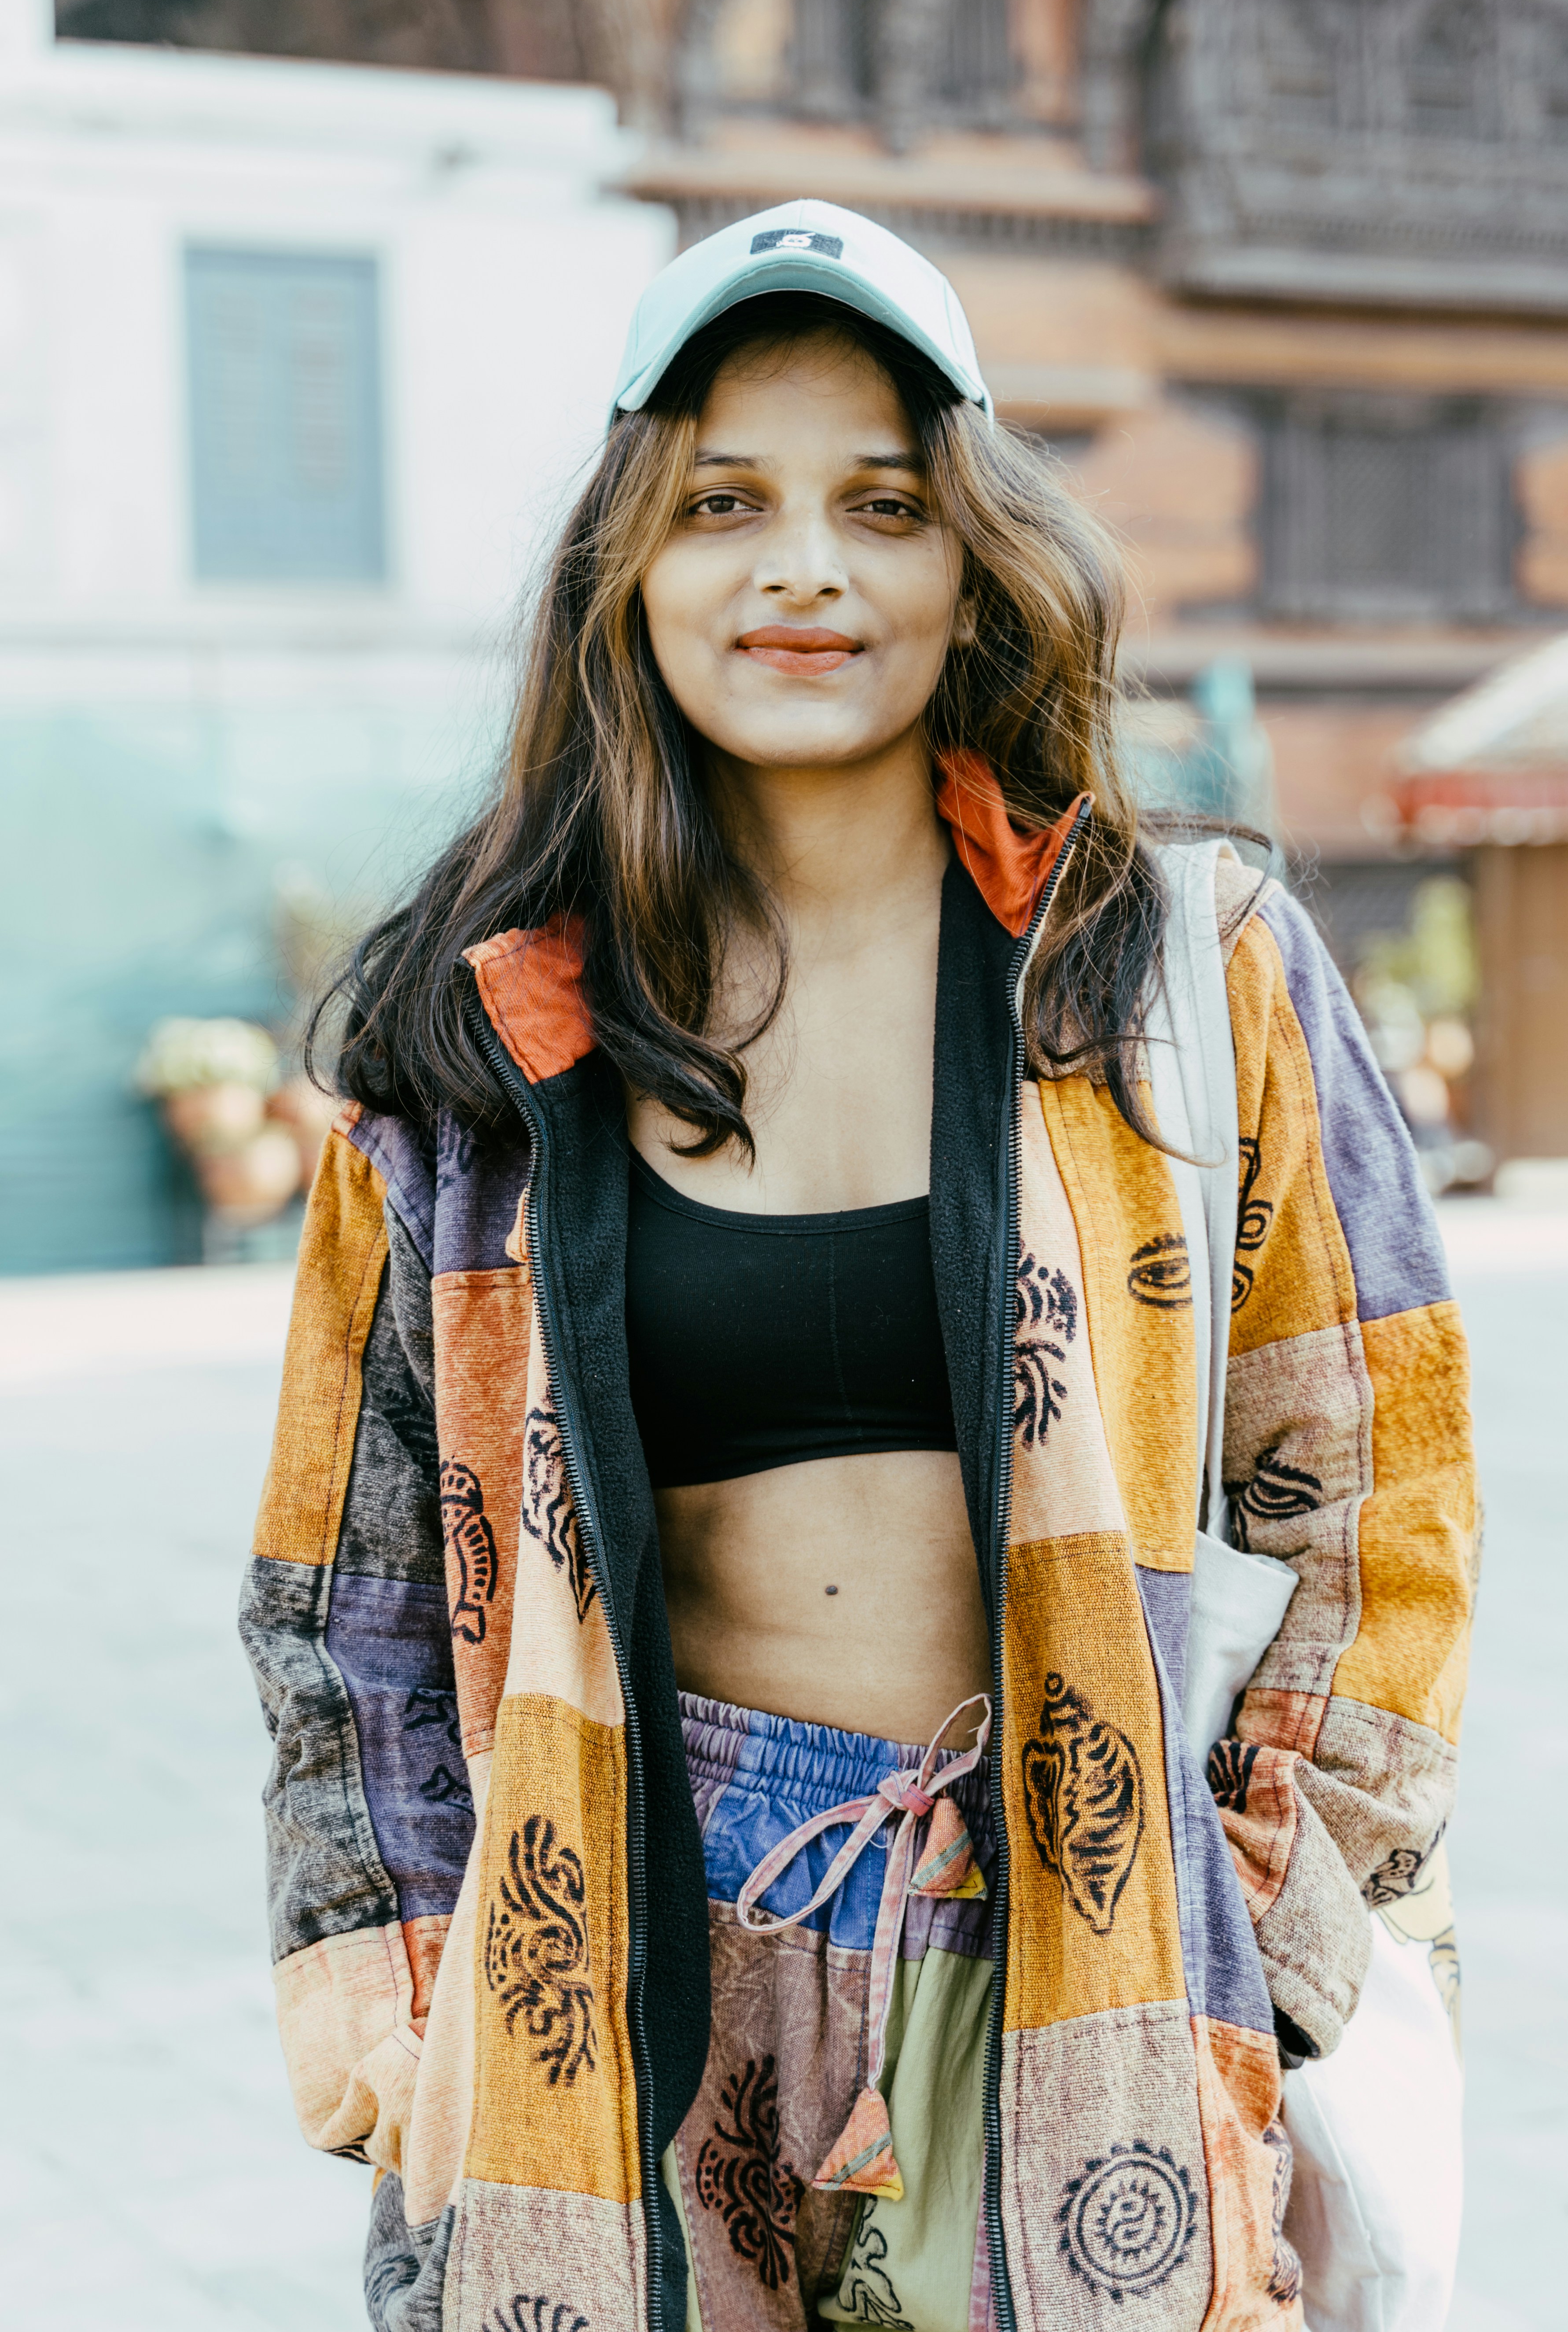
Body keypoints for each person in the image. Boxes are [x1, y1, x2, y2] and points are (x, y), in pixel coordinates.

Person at [241, 202, 1476, 2332]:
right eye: (725, 501)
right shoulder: (477, 1041)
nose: (801, 566)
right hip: (615, 1943)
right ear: (629, 566)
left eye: (882, 505)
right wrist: (411, 2025)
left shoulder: (1182, 975)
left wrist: (1274, 1927)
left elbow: (1386, 1482)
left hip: (1079, 1931)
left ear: (970, 558)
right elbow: (338, 1600)